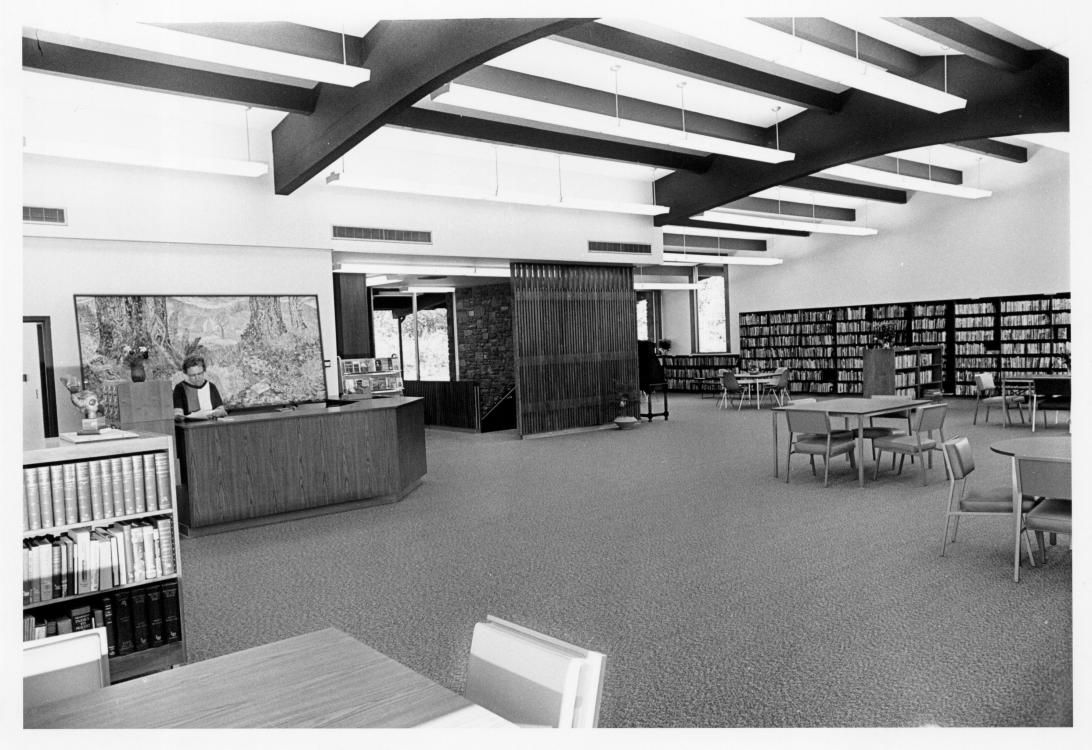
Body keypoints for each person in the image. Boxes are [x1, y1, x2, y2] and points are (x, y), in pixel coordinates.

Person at [173, 355, 228, 420]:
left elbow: (222, 410)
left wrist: (217, 413)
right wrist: (179, 417)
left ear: (204, 370)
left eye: (199, 374)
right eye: (193, 375)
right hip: (190, 427)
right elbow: (178, 413)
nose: (197, 378)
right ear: (186, 374)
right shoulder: (180, 388)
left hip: (211, 424)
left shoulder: (211, 386)